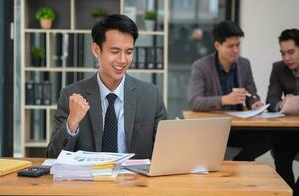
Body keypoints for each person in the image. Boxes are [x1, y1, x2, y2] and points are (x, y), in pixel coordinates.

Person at [46, 14, 167, 159]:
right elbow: (52, 157)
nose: (123, 60)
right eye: (115, 52)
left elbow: (166, 152)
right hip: (90, 180)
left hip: (135, 180)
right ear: (96, 50)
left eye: (129, 52)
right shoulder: (71, 95)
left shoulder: (151, 96)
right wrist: (72, 122)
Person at [187, 21, 273, 161]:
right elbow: (194, 101)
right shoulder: (201, 66)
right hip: (214, 129)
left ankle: (240, 161)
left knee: (272, 135)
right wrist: (224, 99)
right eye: (230, 46)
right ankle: (241, 162)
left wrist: (254, 103)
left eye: (237, 45)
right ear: (217, 45)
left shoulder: (244, 64)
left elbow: (252, 93)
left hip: (239, 127)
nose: (235, 50)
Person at [266, 29, 299, 196]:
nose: (286, 58)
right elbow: (271, 99)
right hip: (291, 130)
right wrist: (282, 104)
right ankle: (289, 194)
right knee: (280, 153)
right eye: (283, 53)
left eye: (291, 52)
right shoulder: (278, 68)